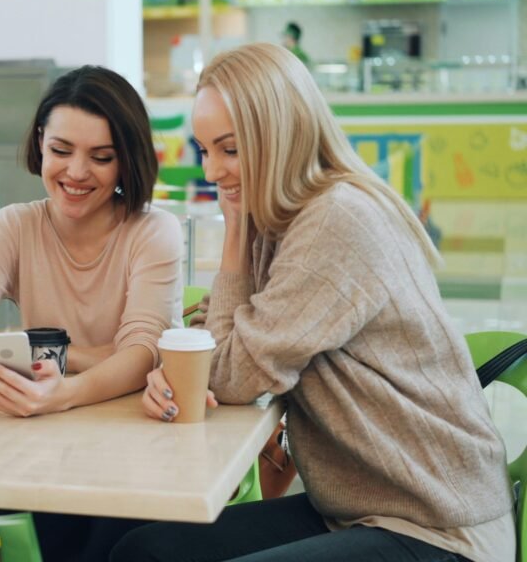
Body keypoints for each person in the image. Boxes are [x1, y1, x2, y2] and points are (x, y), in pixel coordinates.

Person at [114, 43, 513, 562]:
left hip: (435, 525)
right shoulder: (285, 217)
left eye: (230, 150)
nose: (212, 172)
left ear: (280, 135)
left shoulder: (335, 220)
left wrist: (233, 231)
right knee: (145, 551)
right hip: (355, 505)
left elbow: (231, 374)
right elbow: (220, 332)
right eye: (204, 149)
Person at [0, 64, 184, 562]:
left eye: (101, 157)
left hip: (134, 456)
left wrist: (59, 385)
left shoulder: (152, 232)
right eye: (61, 151)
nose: (75, 173)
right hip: (36, 453)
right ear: (40, 143)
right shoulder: (15, 227)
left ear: (127, 160)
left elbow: (141, 353)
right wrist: (80, 357)